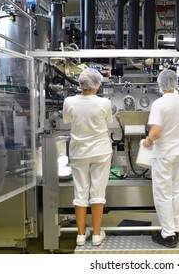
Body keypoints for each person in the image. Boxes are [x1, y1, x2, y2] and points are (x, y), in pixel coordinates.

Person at [143, 69, 179, 248]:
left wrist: (148, 140)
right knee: (177, 192)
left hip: (163, 153)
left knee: (163, 193)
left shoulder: (159, 104)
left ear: (160, 84)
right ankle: (175, 228)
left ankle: (167, 234)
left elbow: (155, 130)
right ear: (175, 83)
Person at [63, 68, 113, 246]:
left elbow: (67, 121)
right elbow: (109, 122)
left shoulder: (69, 101)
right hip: (100, 151)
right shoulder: (104, 103)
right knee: (98, 192)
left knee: (80, 192)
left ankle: (81, 235)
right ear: (97, 85)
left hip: (79, 152)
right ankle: (97, 234)